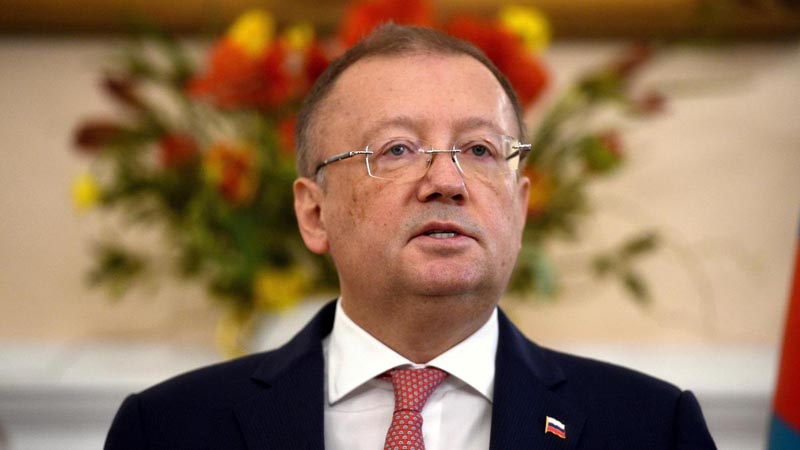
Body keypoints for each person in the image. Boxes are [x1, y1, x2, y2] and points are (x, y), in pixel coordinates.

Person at [105, 24, 717, 450]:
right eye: (397, 149)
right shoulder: (168, 430)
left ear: (520, 207)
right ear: (314, 214)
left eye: (480, 150)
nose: (447, 181)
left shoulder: (652, 428)